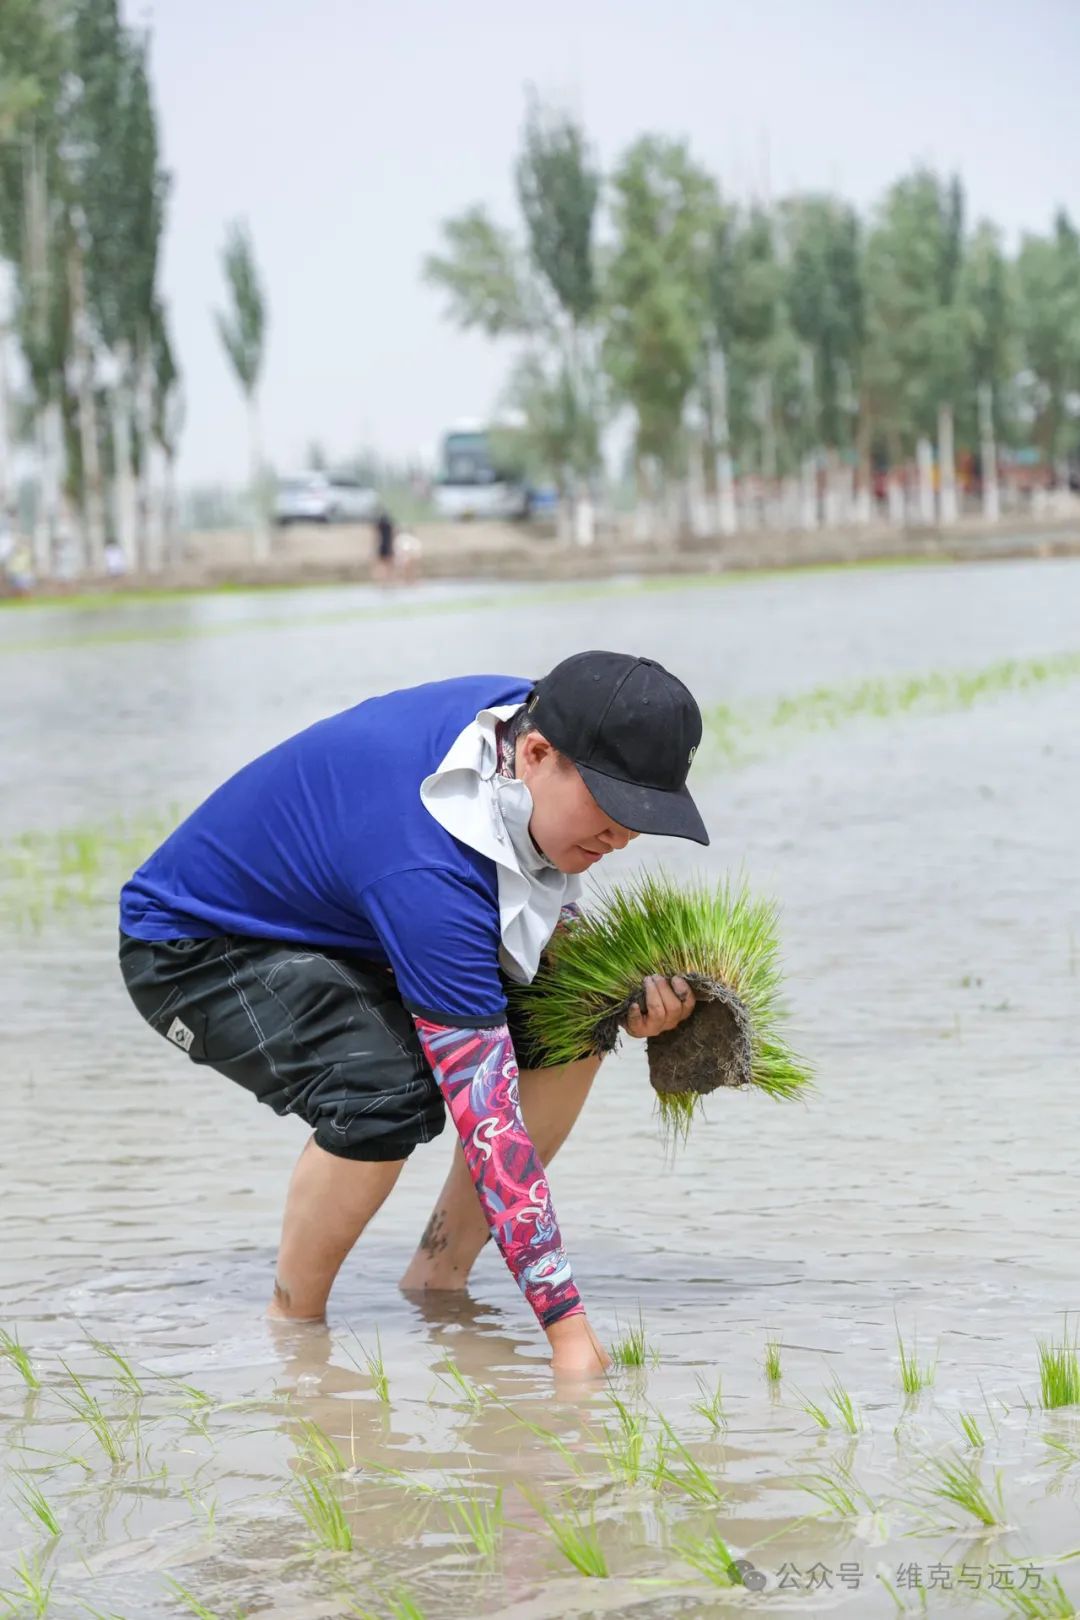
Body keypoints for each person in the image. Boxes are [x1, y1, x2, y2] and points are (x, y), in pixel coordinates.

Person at [118, 651, 709, 1375]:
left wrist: (622, 1001)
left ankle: (437, 1282)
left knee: (572, 1016)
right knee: (381, 1094)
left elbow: (542, 931)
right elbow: (489, 1122)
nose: (622, 837)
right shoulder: (428, 872)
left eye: (643, 816)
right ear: (535, 754)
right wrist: (568, 1336)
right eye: (613, 807)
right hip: (193, 945)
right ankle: (295, 1331)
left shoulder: (528, 716)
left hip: (351, 919)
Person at [373, 506, 395, 583]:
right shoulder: (390, 524)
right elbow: (392, 535)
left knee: (381, 565)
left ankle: (382, 580)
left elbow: (376, 536)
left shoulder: (379, 524)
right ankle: (388, 580)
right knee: (389, 565)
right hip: (388, 546)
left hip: (382, 545)